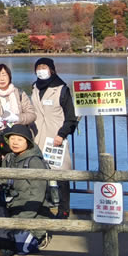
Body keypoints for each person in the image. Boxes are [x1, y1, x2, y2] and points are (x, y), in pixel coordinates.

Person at [31, 57, 78, 219]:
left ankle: (63, 210)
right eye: (38, 67)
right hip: (37, 137)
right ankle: (42, 208)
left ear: (52, 69)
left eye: (44, 67)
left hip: (56, 138)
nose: (41, 70)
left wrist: (62, 134)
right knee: (39, 174)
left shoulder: (62, 89)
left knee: (61, 175)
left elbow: (71, 117)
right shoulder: (34, 87)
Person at [0, 125, 54, 253]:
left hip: (33, 211)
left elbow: (38, 195)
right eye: (12, 139)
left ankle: (41, 235)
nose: (15, 142)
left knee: (22, 248)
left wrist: (21, 219)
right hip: (13, 207)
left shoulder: (34, 162)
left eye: (20, 139)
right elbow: (1, 181)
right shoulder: (8, 158)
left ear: (28, 142)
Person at [0, 64, 36, 133]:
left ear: (9, 77)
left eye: (4, 75)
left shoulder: (20, 93)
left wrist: (17, 118)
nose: (2, 79)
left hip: (18, 133)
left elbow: (32, 115)